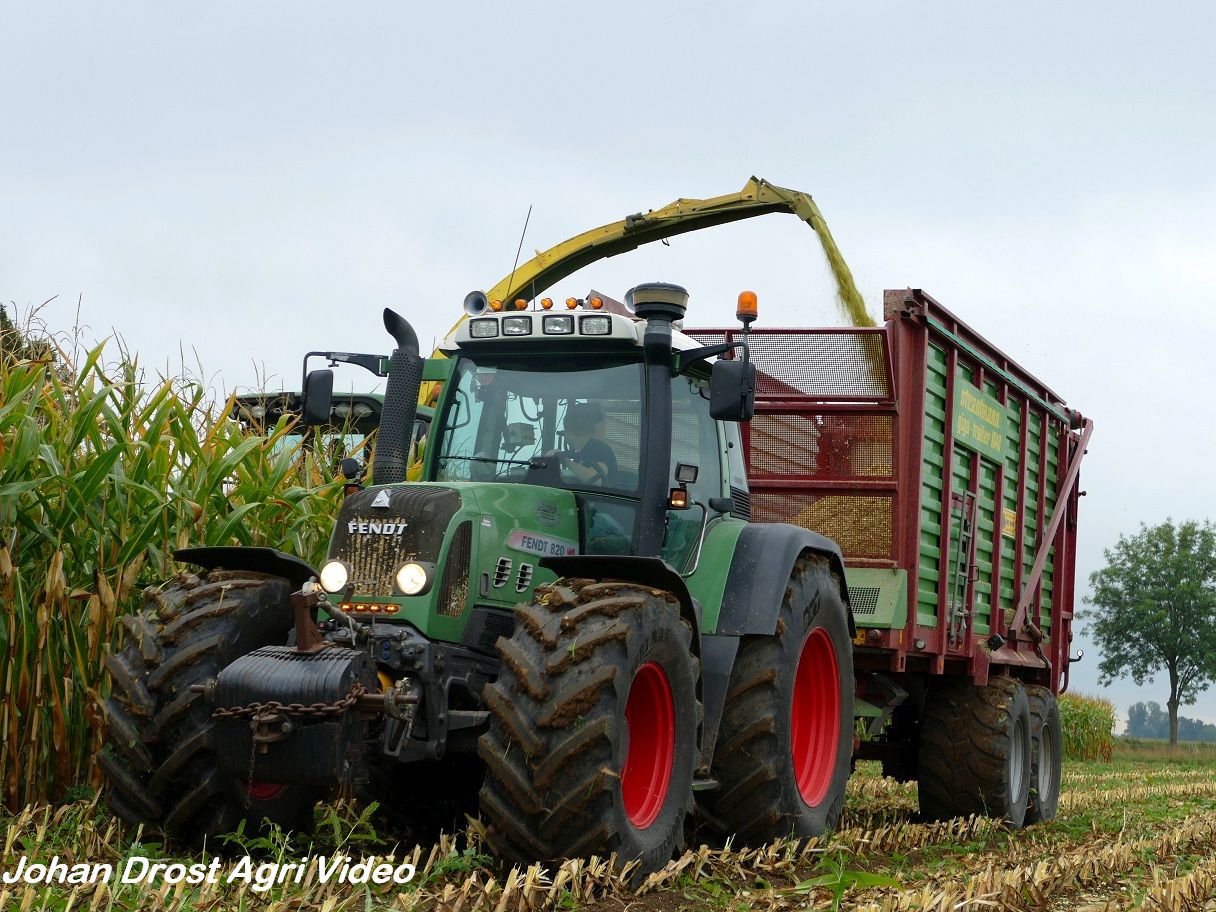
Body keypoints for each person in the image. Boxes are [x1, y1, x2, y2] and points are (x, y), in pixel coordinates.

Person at [557, 402, 617, 485]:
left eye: (564, 432)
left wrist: (563, 460)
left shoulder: (601, 449)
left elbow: (597, 479)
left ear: (570, 432)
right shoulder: (581, 456)